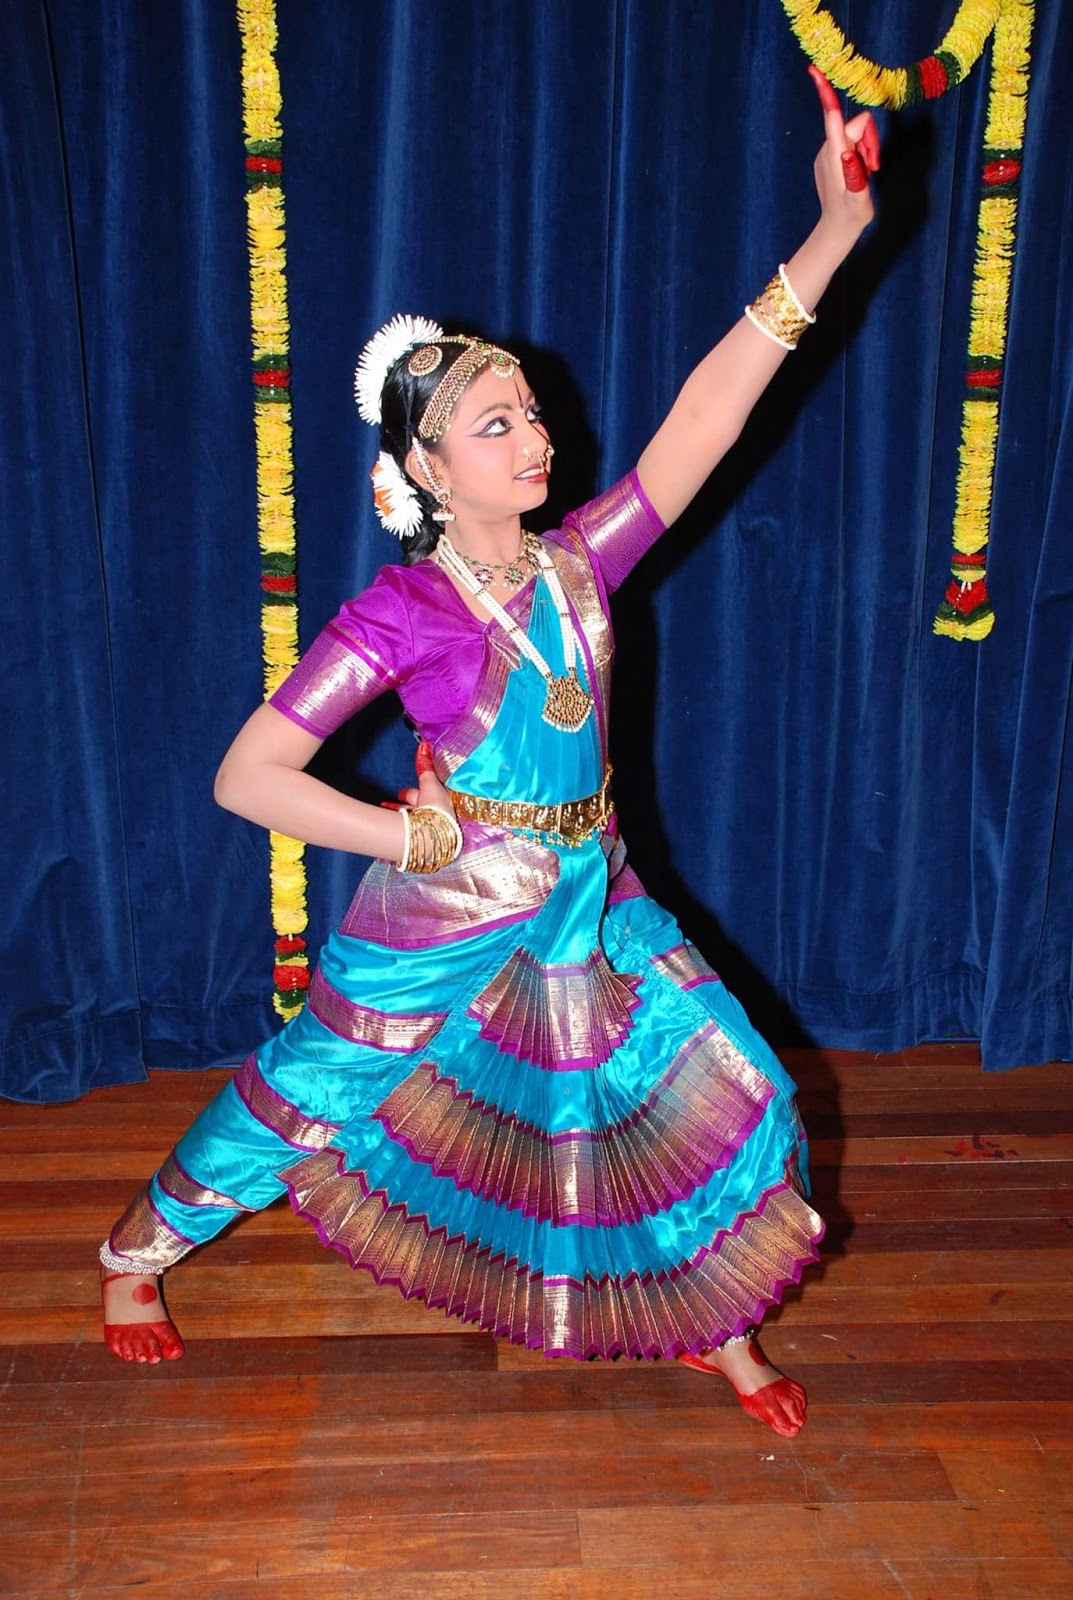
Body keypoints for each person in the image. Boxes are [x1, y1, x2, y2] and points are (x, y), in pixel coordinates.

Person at [100, 70, 878, 1438]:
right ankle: (134, 1256)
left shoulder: (585, 558)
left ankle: (717, 1322)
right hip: (446, 911)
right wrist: (409, 838)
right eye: (496, 424)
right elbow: (247, 780)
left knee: (724, 1090)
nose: (536, 439)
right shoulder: (399, 612)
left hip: (594, 894)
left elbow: (706, 416)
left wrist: (831, 231)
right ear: (424, 471)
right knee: (308, 1092)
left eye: (531, 414)